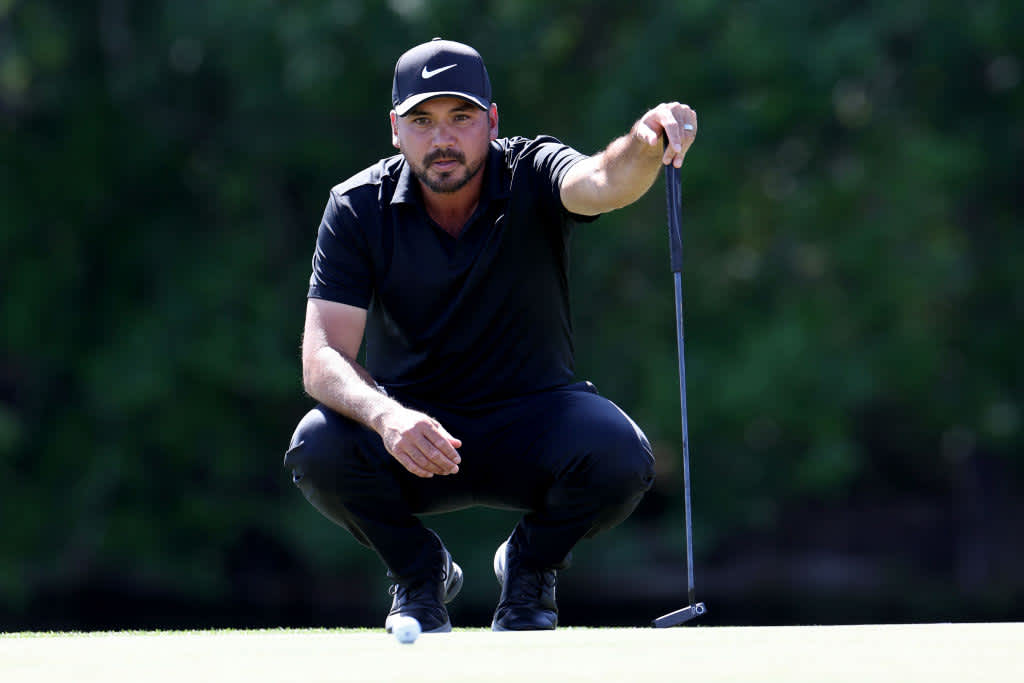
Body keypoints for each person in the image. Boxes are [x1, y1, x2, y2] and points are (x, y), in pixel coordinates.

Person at [284, 38, 697, 633]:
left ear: (492, 121)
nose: (442, 138)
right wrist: (386, 417)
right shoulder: (355, 206)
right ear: (395, 129)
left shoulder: (533, 168)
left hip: (534, 423)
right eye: (422, 121)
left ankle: (530, 568)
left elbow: (605, 181)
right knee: (316, 447)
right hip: (413, 433)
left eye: (461, 118)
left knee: (621, 456)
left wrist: (646, 139)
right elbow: (322, 356)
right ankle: (420, 574)